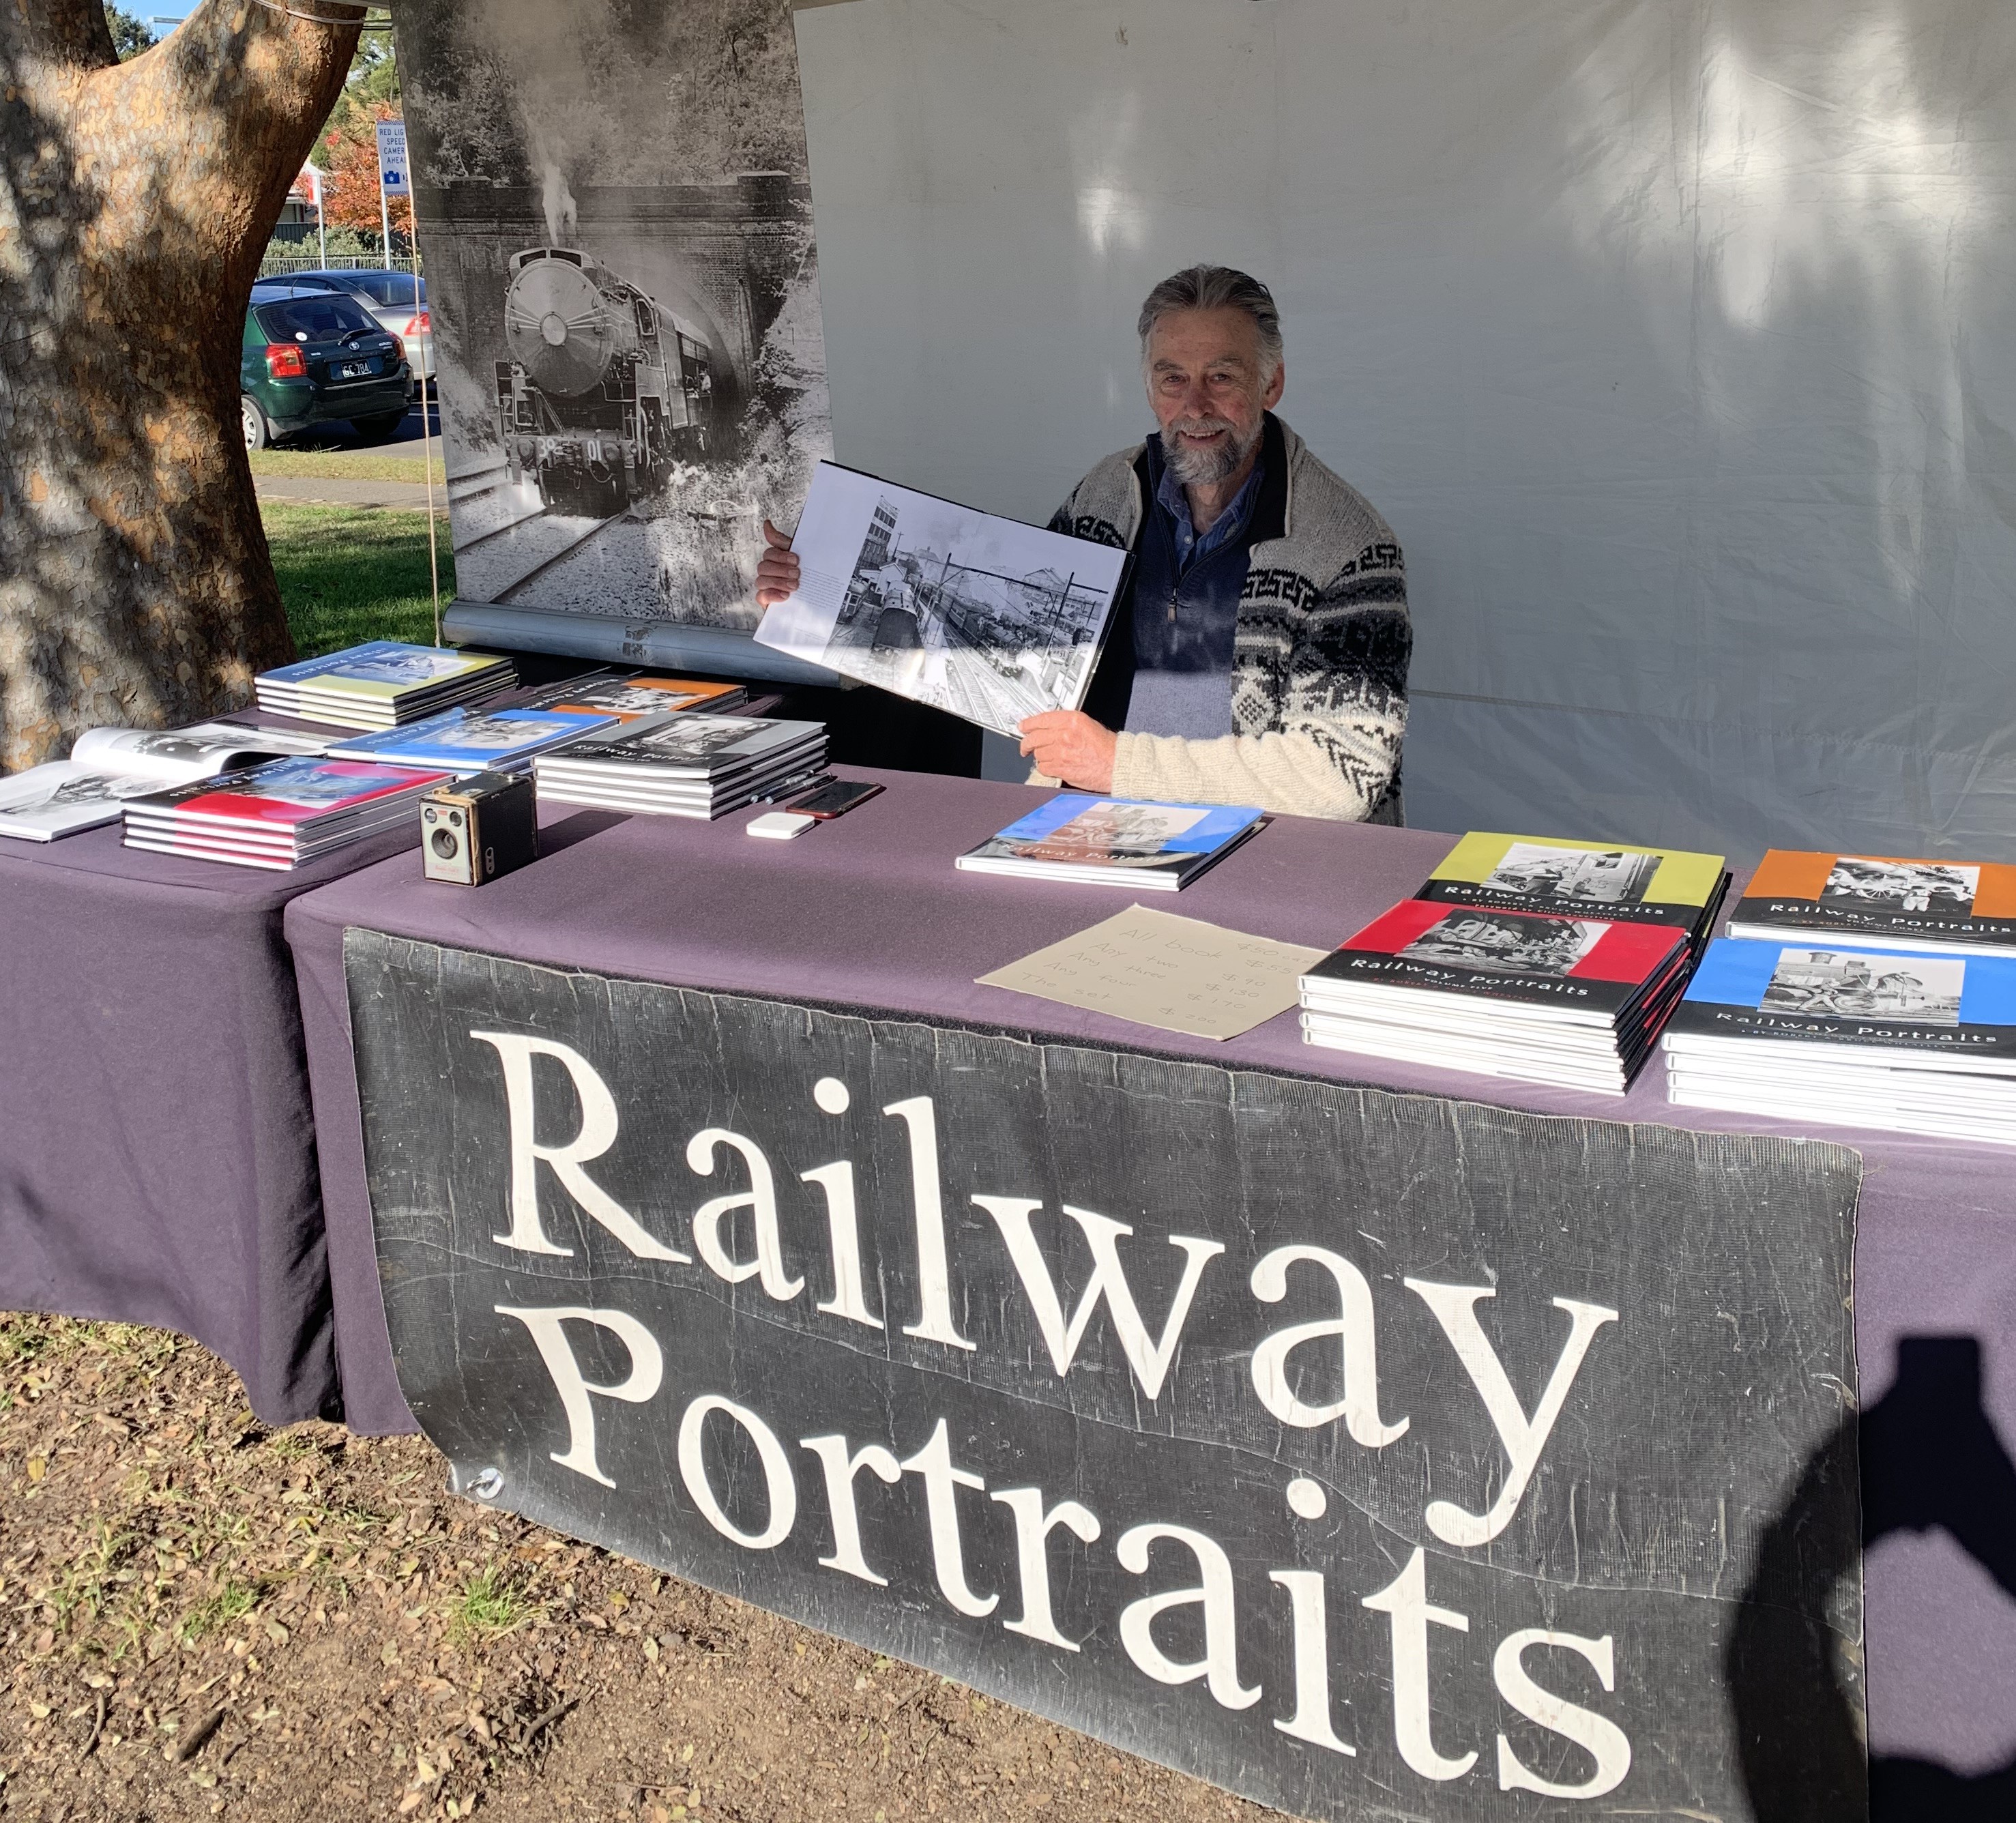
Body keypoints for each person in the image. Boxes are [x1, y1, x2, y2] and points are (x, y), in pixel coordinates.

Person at [755, 264, 1409, 821]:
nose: (1195, 404)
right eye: (1171, 377)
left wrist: (1117, 764)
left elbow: (1341, 774)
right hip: (1087, 826)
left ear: (1271, 384)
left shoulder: (1347, 547)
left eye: (1223, 376)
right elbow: (1000, 652)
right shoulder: (1108, 492)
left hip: (1265, 857)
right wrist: (819, 596)